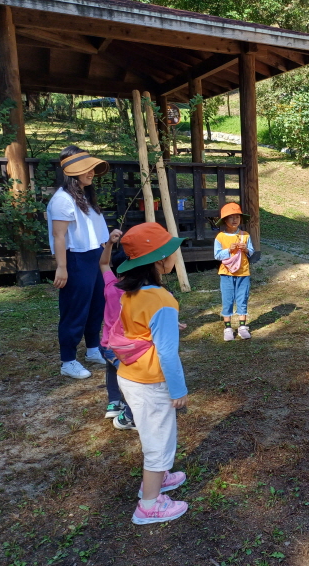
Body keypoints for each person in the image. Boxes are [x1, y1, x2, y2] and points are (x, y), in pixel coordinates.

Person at [115, 222, 189, 524]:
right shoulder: (162, 300)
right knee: (158, 441)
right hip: (151, 380)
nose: (176, 255)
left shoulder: (132, 294)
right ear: (160, 260)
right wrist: (179, 390)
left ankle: (158, 477)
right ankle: (149, 505)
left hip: (129, 375)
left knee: (152, 433)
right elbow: (168, 353)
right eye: (172, 250)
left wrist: (169, 326)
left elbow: (138, 328)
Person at [47, 145, 114, 379]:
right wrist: (62, 267)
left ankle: (93, 348)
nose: (92, 172)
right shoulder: (63, 200)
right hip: (76, 259)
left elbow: (96, 232)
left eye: (93, 168)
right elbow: (59, 236)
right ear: (72, 172)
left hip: (94, 257)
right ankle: (68, 361)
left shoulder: (85, 197)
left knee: (97, 305)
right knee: (75, 310)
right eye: (87, 169)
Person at [97, 229, 136, 430]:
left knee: (111, 371)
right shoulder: (134, 293)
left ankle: (114, 402)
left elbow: (103, 263)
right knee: (131, 379)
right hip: (123, 347)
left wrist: (109, 244)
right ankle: (129, 416)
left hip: (106, 345)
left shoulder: (110, 285)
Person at [213, 202, 255, 341]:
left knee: (242, 298)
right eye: (231, 217)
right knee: (227, 300)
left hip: (243, 272)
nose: (235, 220)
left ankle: (243, 326)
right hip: (226, 273)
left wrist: (246, 249)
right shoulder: (220, 237)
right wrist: (228, 250)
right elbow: (217, 255)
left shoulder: (246, 235)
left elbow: (251, 252)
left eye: (237, 217)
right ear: (225, 220)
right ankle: (228, 328)